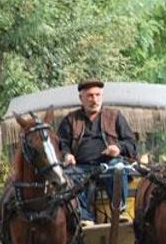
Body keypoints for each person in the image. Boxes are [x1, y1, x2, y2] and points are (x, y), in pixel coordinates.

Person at [58, 79, 137, 225]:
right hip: (81, 167)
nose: (94, 99)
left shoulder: (115, 116)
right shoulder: (70, 119)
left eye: (97, 95)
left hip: (108, 164)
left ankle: (119, 212)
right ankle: (85, 217)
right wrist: (66, 155)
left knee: (118, 167)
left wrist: (118, 148)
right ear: (81, 98)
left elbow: (131, 143)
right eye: (90, 96)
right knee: (68, 175)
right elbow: (61, 144)